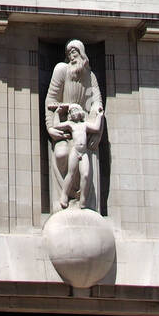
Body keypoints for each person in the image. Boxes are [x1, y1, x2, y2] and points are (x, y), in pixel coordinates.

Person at [45, 41, 104, 210]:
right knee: (61, 154)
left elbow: (96, 102)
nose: (72, 56)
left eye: (75, 52)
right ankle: (65, 198)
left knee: (85, 171)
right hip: (65, 125)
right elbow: (51, 99)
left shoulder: (90, 76)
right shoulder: (61, 70)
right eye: (69, 53)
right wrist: (51, 127)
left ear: (82, 53)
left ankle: (83, 201)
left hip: (84, 127)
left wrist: (98, 132)